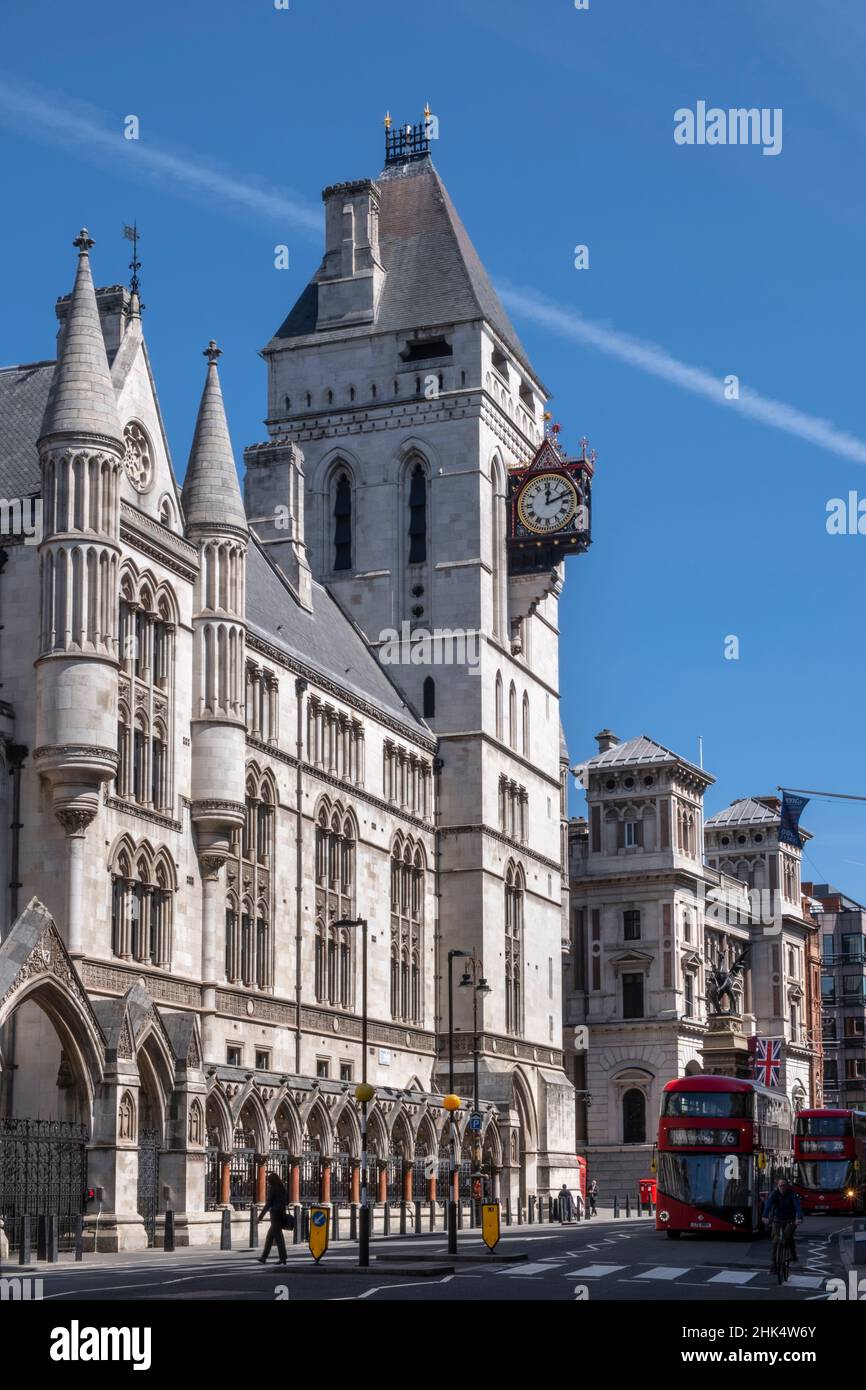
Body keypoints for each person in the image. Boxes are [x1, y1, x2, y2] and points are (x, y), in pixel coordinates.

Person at [762, 1177, 802, 1264]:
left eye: (784, 1185)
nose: (782, 1188)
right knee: (776, 1241)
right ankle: (774, 1266)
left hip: (790, 1219)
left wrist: (799, 1217)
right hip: (778, 1219)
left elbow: (797, 1206)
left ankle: (793, 1255)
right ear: (777, 1186)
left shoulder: (792, 1194)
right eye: (780, 1186)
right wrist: (765, 1216)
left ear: (787, 1186)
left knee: (788, 1236)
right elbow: (768, 1204)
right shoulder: (775, 1194)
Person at [257, 1172, 290, 1264]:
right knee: (270, 1236)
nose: (267, 1181)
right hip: (281, 1213)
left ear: (271, 1181)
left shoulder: (273, 1189)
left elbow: (268, 1204)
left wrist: (260, 1217)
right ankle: (264, 1257)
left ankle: (282, 1258)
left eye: (268, 1179)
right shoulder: (282, 1188)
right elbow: (287, 1202)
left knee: (278, 1237)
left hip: (275, 1214)